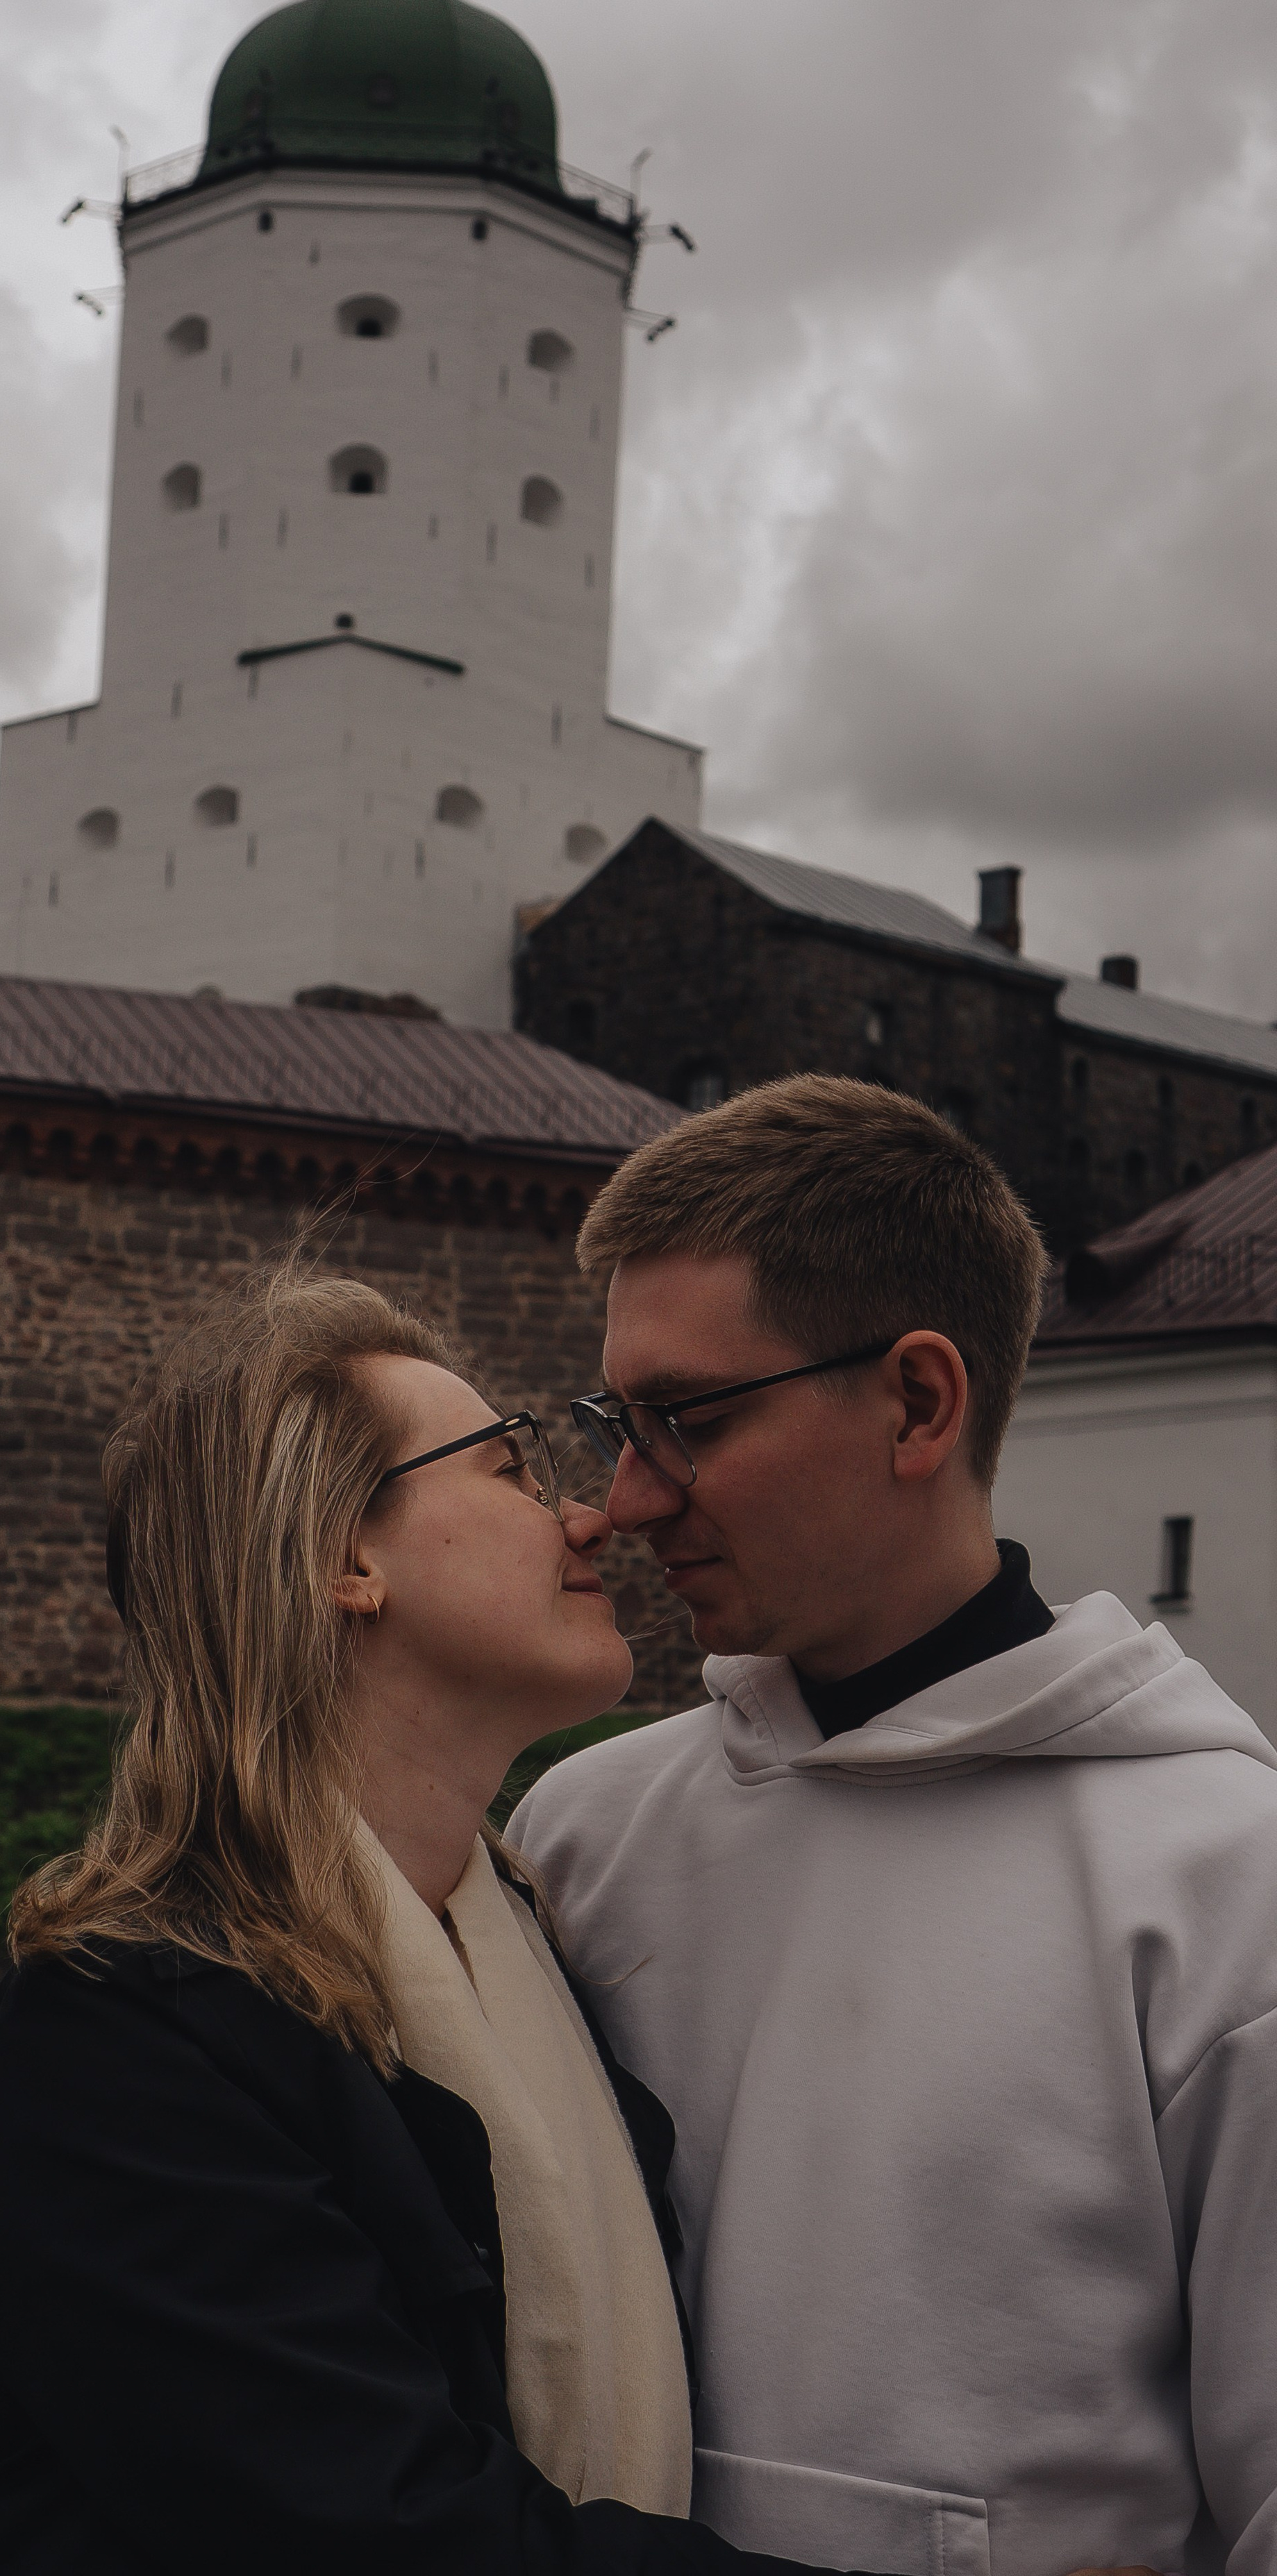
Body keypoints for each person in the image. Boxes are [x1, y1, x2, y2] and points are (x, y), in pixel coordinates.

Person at [0, 1265, 847, 2576]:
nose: (589, 1517)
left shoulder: (525, 1955)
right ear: (344, 1559)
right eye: (511, 1467)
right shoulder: (124, 2042)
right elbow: (391, 2537)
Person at [509, 1075, 1277, 2576]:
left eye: (686, 1422)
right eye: (617, 1421)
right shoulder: (576, 1833)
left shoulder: (1226, 1883)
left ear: (916, 1402)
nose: (621, 1501)